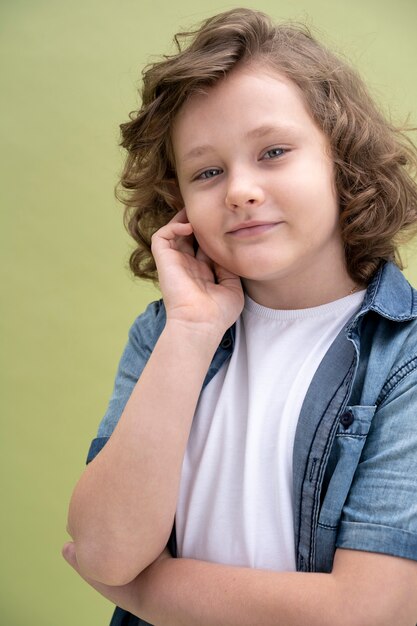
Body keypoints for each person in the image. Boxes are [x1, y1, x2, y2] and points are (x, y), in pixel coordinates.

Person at [62, 8, 417, 625]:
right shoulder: (165, 334)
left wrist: (145, 593)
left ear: (344, 162)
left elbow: (366, 611)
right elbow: (104, 547)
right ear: (180, 203)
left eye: (273, 152)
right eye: (207, 171)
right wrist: (193, 332)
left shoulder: (403, 357)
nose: (239, 190)